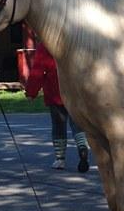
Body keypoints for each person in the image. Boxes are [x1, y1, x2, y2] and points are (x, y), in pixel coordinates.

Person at [25, 42, 90, 172]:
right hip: (74, 92)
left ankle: (60, 159)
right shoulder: (73, 41)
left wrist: (31, 92)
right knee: (77, 125)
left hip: (54, 92)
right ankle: (82, 147)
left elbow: (38, 71)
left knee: (58, 127)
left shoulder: (45, 45)